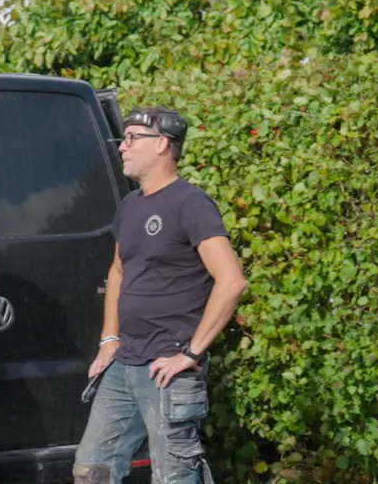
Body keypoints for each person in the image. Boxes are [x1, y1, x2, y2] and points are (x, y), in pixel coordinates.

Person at [73, 107, 248, 484]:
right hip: (125, 362)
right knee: (92, 468)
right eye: (124, 139)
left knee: (174, 475)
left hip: (167, 367)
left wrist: (191, 353)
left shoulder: (191, 204)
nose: (123, 147)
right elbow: (118, 270)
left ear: (163, 145)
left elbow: (231, 280)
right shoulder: (131, 205)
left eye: (134, 138)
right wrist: (109, 339)